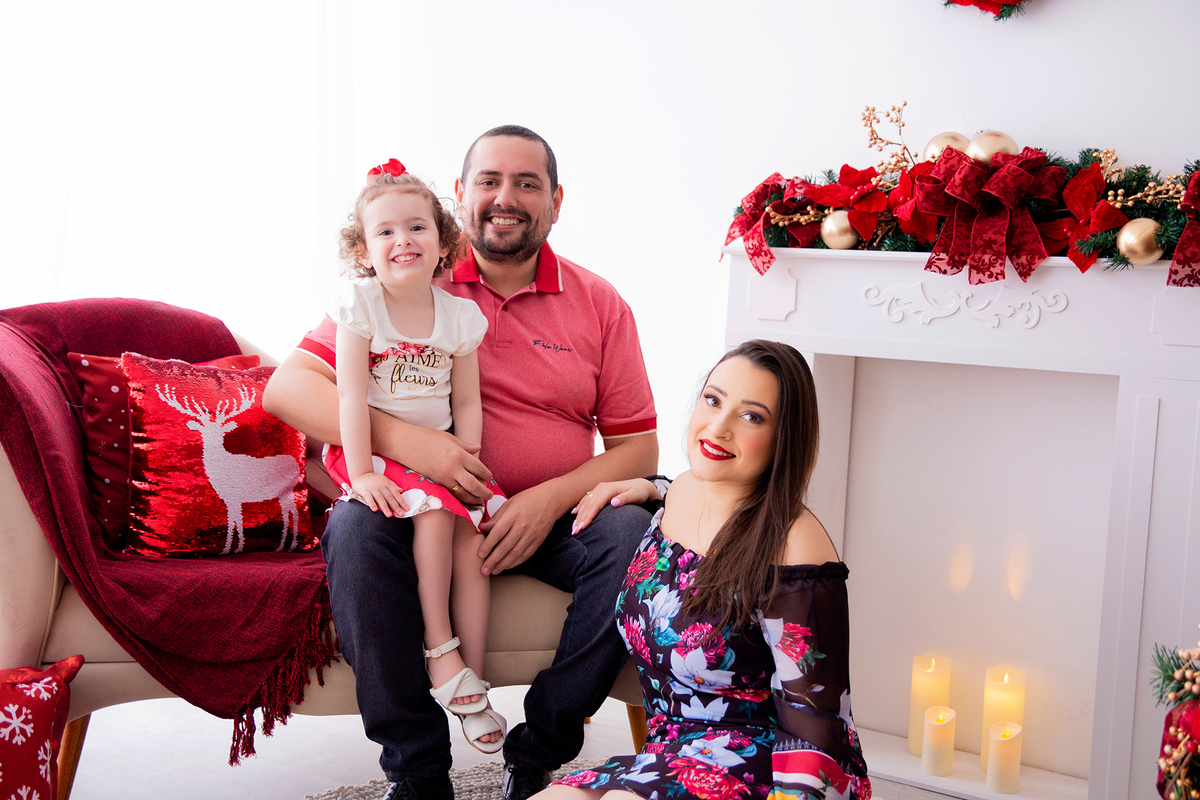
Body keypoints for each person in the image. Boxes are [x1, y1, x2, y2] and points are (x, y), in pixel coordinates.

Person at [262, 125, 659, 800]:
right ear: (460, 194)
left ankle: (536, 752)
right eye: (489, 181)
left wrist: (545, 501)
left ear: (555, 201)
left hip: (544, 519)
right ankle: (418, 771)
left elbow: (638, 450)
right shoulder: (408, 271)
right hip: (423, 507)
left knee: (632, 536)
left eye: (527, 184)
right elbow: (288, 390)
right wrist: (412, 445)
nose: (506, 198)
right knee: (354, 530)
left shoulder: (599, 303)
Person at [547, 340, 871, 800]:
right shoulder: (681, 492)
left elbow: (819, 727)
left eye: (752, 416)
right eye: (713, 400)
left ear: (784, 437)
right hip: (668, 752)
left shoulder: (796, 546)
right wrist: (651, 487)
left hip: (760, 766)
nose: (718, 428)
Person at [325, 159, 506, 753]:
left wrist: (468, 460)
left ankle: (471, 681)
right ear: (364, 250)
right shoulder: (361, 306)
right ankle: (439, 649)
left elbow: (467, 401)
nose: (402, 240)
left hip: (441, 458)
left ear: (443, 241)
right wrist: (361, 474)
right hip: (374, 454)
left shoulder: (459, 316)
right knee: (434, 516)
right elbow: (350, 398)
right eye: (385, 231)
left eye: (417, 227)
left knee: (474, 543)